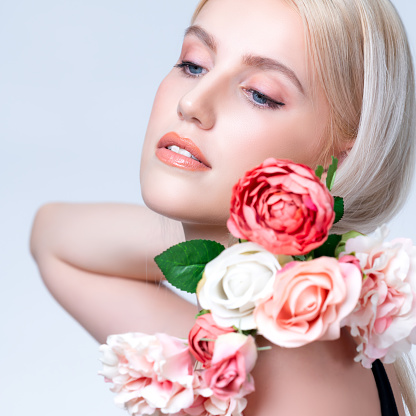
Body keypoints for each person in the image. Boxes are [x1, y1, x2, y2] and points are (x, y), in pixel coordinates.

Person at [30, 0, 416, 415]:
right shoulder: (258, 346)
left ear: (346, 151)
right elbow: (52, 235)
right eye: (194, 64)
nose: (192, 102)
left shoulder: (295, 385)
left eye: (260, 94)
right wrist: (233, 261)